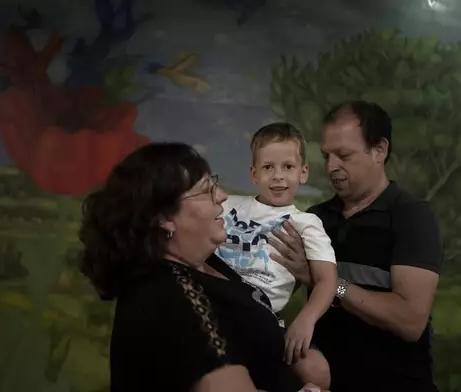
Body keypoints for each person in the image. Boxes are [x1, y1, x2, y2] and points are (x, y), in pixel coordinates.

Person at [78, 142, 326, 392]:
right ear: (165, 218)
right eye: (206, 190)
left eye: (214, 184)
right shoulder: (170, 297)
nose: (222, 195)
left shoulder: (206, 261)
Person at [268, 101, 444, 391]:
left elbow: (410, 321)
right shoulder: (315, 218)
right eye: (326, 155)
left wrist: (328, 283)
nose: (331, 166)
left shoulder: (412, 216)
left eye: (343, 155)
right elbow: (270, 286)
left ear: (380, 151)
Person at [215, 123, 337, 389]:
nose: (278, 176)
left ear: (303, 173)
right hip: (216, 307)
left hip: (261, 319)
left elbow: (327, 280)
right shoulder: (227, 204)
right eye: (268, 167)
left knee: (317, 370)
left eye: (288, 167)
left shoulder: (306, 222)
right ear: (254, 173)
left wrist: (305, 320)